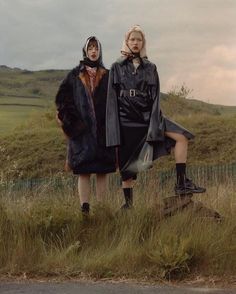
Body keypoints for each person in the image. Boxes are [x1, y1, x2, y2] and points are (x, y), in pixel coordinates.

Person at [106, 25, 206, 209]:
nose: (135, 43)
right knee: (127, 167)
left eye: (139, 40)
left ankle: (181, 183)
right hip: (125, 119)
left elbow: (156, 96)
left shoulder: (151, 67)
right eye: (132, 39)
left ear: (143, 43)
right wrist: (113, 131)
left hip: (148, 116)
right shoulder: (116, 67)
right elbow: (111, 101)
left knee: (182, 137)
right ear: (126, 42)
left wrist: (154, 121)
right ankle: (128, 205)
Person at [55, 36, 116, 215]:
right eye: (90, 48)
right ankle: (85, 210)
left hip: (103, 132)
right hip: (82, 134)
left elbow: (116, 102)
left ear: (100, 51)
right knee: (84, 172)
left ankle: (102, 209)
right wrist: (73, 125)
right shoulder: (75, 75)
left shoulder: (108, 75)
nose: (93, 51)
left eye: (96, 48)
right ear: (85, 50)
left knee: (102, 171)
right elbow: (62, 100)